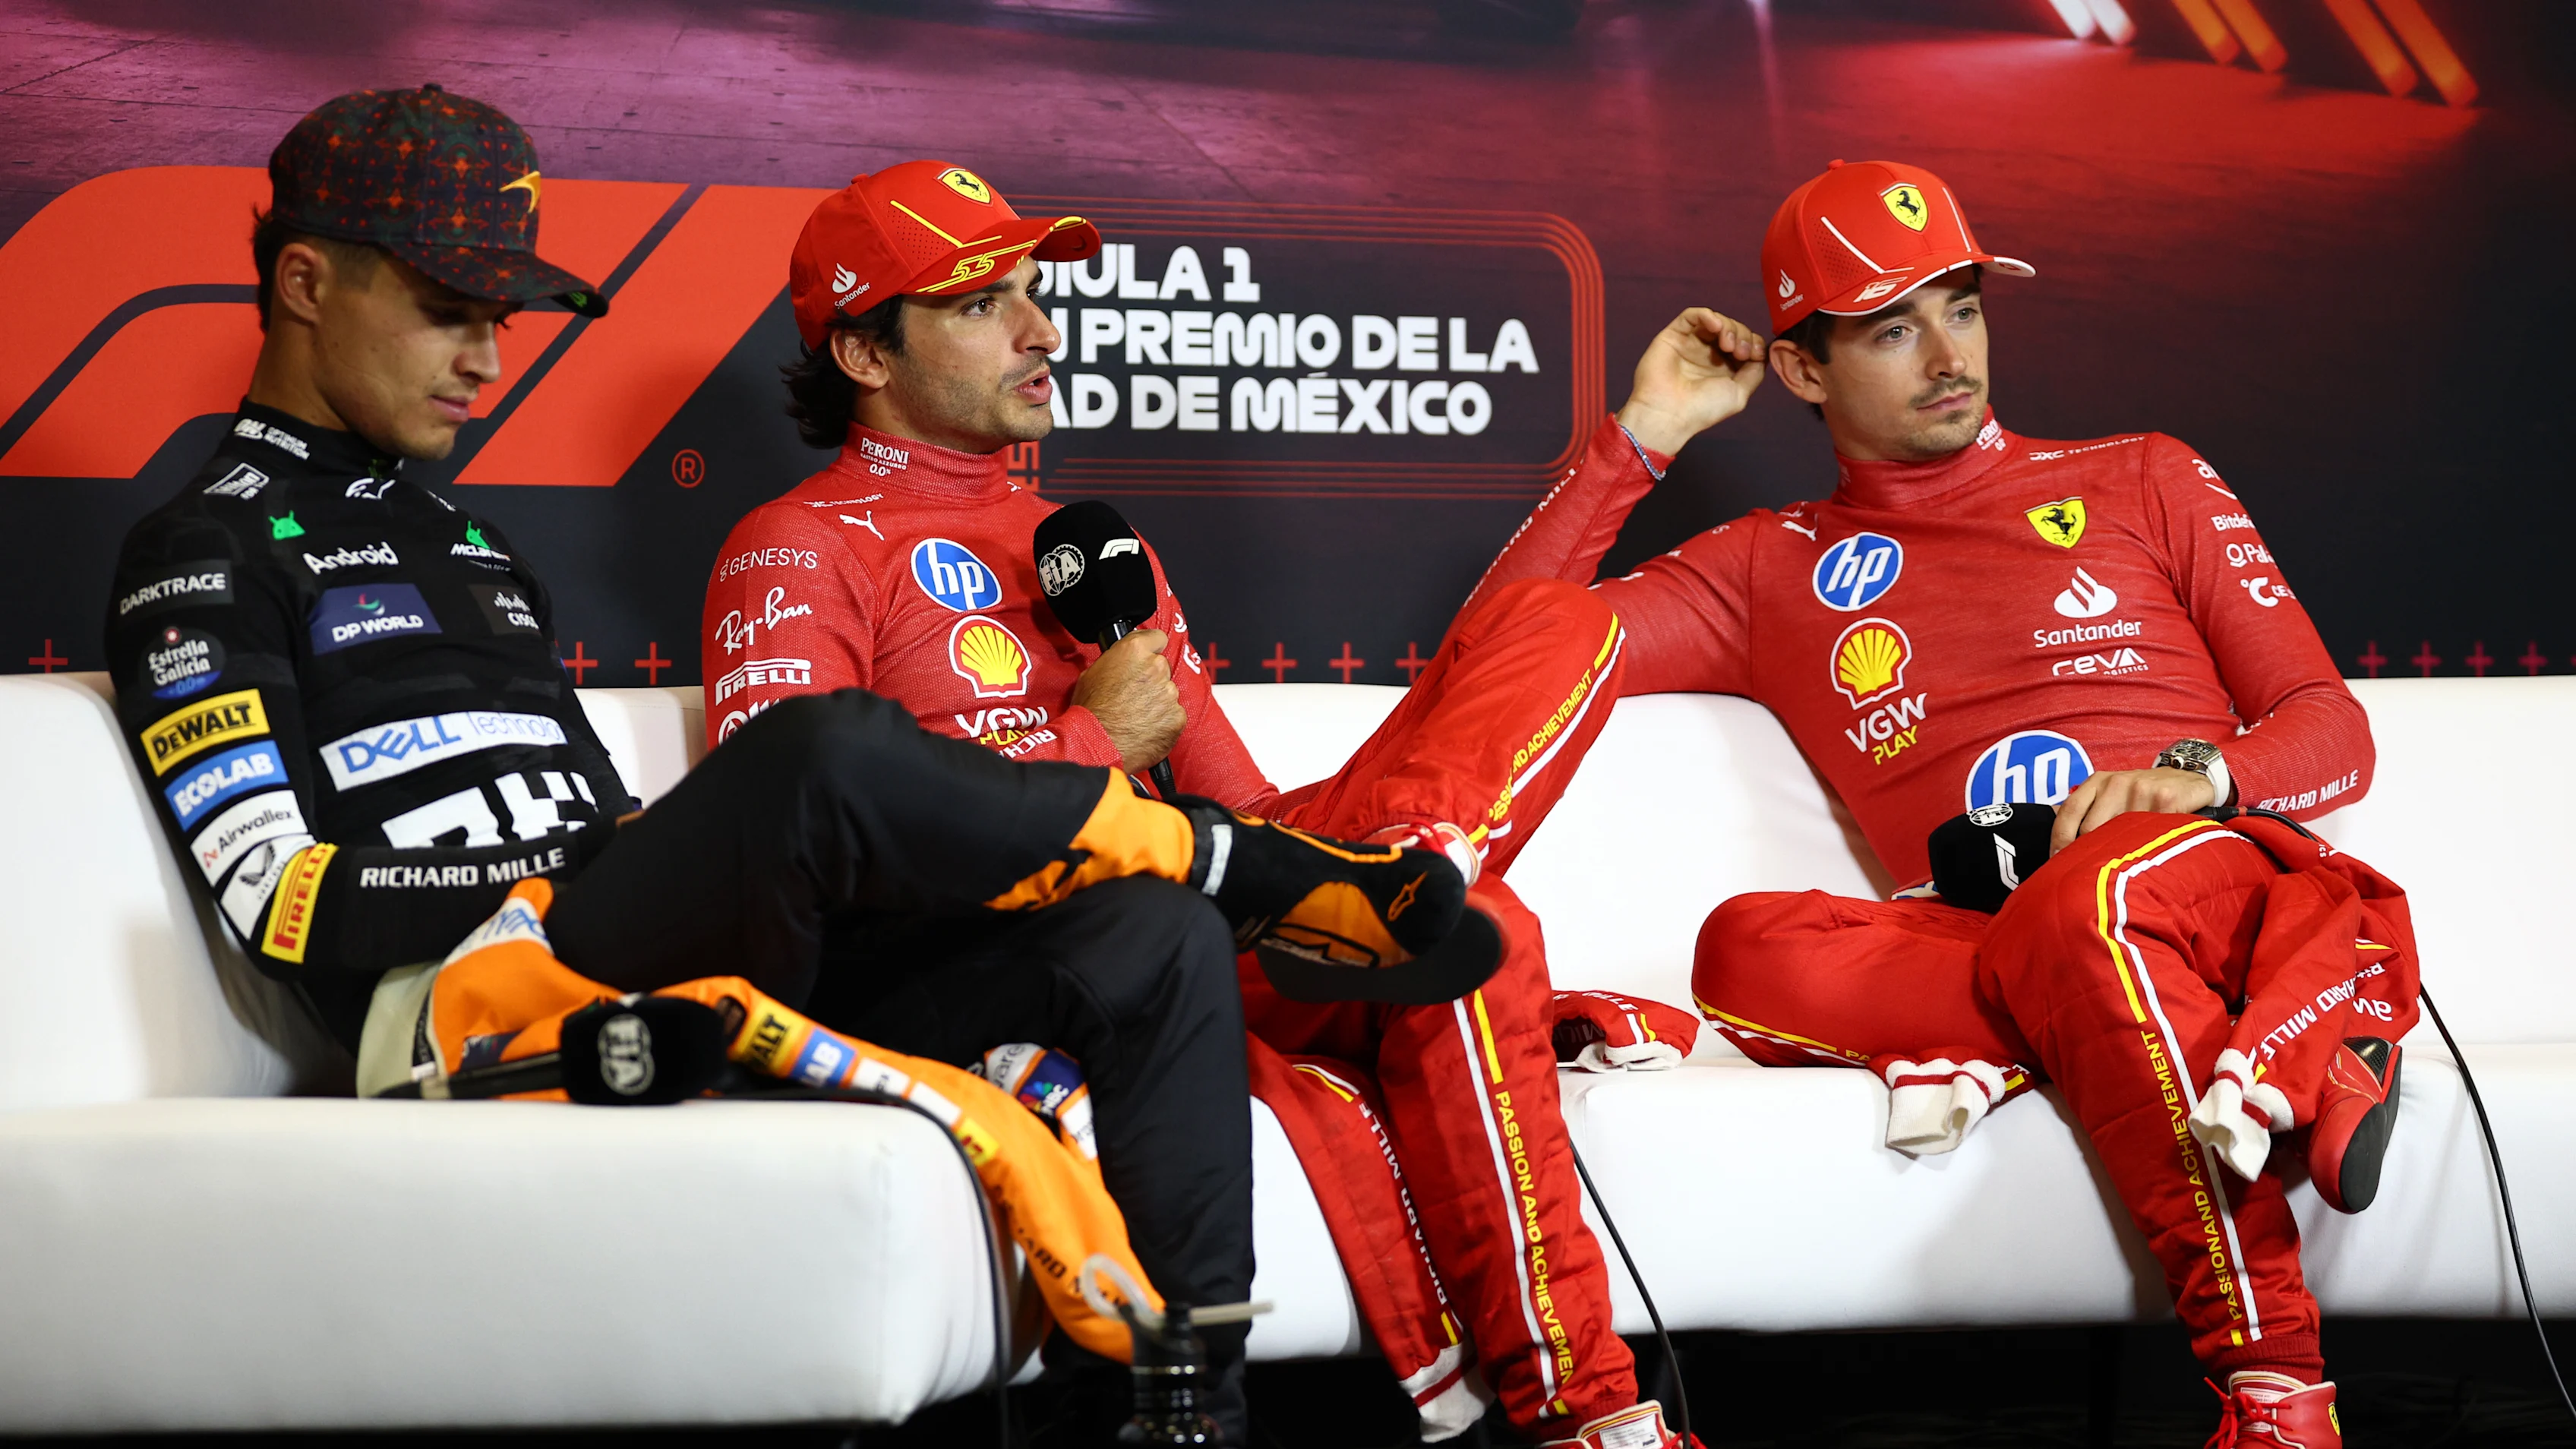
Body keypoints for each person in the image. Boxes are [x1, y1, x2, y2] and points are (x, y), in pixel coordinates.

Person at [103, 87, 1485, 1445]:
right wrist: (591, 861)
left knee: (1155, 939)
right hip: (466, 998)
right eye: (446, 310)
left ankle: (1180, 1415)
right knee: (824, 748)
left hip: (651, 946)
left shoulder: (473, 549)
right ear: (302, 281)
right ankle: (1249, 865)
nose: (486, 358)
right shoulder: (200, 553)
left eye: (499, 318)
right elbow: (283, 903)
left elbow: (598, 822)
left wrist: (636, 850)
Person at [702, 162, 1687, 1448]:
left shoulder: (1103, 549)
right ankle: (1587, 1410)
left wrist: (1298, 839)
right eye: (982, 303)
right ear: (861, 350)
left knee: (1557, 630)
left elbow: (1248, 810)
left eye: (1034, 293)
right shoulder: (796, 548)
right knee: (1471, 936)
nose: (1042, 329)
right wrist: (1095, 739)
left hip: (1217, 903)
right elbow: (795, 854)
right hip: (1028, 956)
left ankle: (1425, 872)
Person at [1467, 158, 2415, 1447]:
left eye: (1960, 305)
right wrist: (1640, 440)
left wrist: (2189, 776)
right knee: (1743, 943)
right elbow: (1500, 658)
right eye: (1892, 326)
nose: (1946, 353)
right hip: (2008, 930)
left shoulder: (2147, 474)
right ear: (1803, 370)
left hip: (2199, 881)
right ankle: (2285, 1060)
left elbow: (2332, 731)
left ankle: (2278, 1391)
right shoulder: (1767, 564)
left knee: (2092, 906)